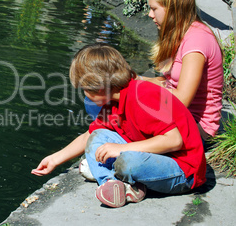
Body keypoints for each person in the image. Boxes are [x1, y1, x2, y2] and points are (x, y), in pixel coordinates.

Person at [32, 43, 206, 208]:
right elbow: (88, 136)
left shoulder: (143, 95)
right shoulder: (112, 104)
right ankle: (112, 184)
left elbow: (174, 141)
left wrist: (121, 148)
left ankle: (124, 182)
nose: (84, 95)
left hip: (183, 170)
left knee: (128, 161)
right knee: (97, 136)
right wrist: (54, 159)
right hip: (154, 157)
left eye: (85, 89)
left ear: (98, 87)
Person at [144, 0, 223, 143]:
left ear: (172, 8)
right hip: (181, 117)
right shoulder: (179, 34)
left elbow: (182, 99)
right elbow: (170, 83)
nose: (150, 14)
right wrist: (136, 81)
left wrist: (142, 93)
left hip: (198, 127)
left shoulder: (197, 39)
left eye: (154, 8)